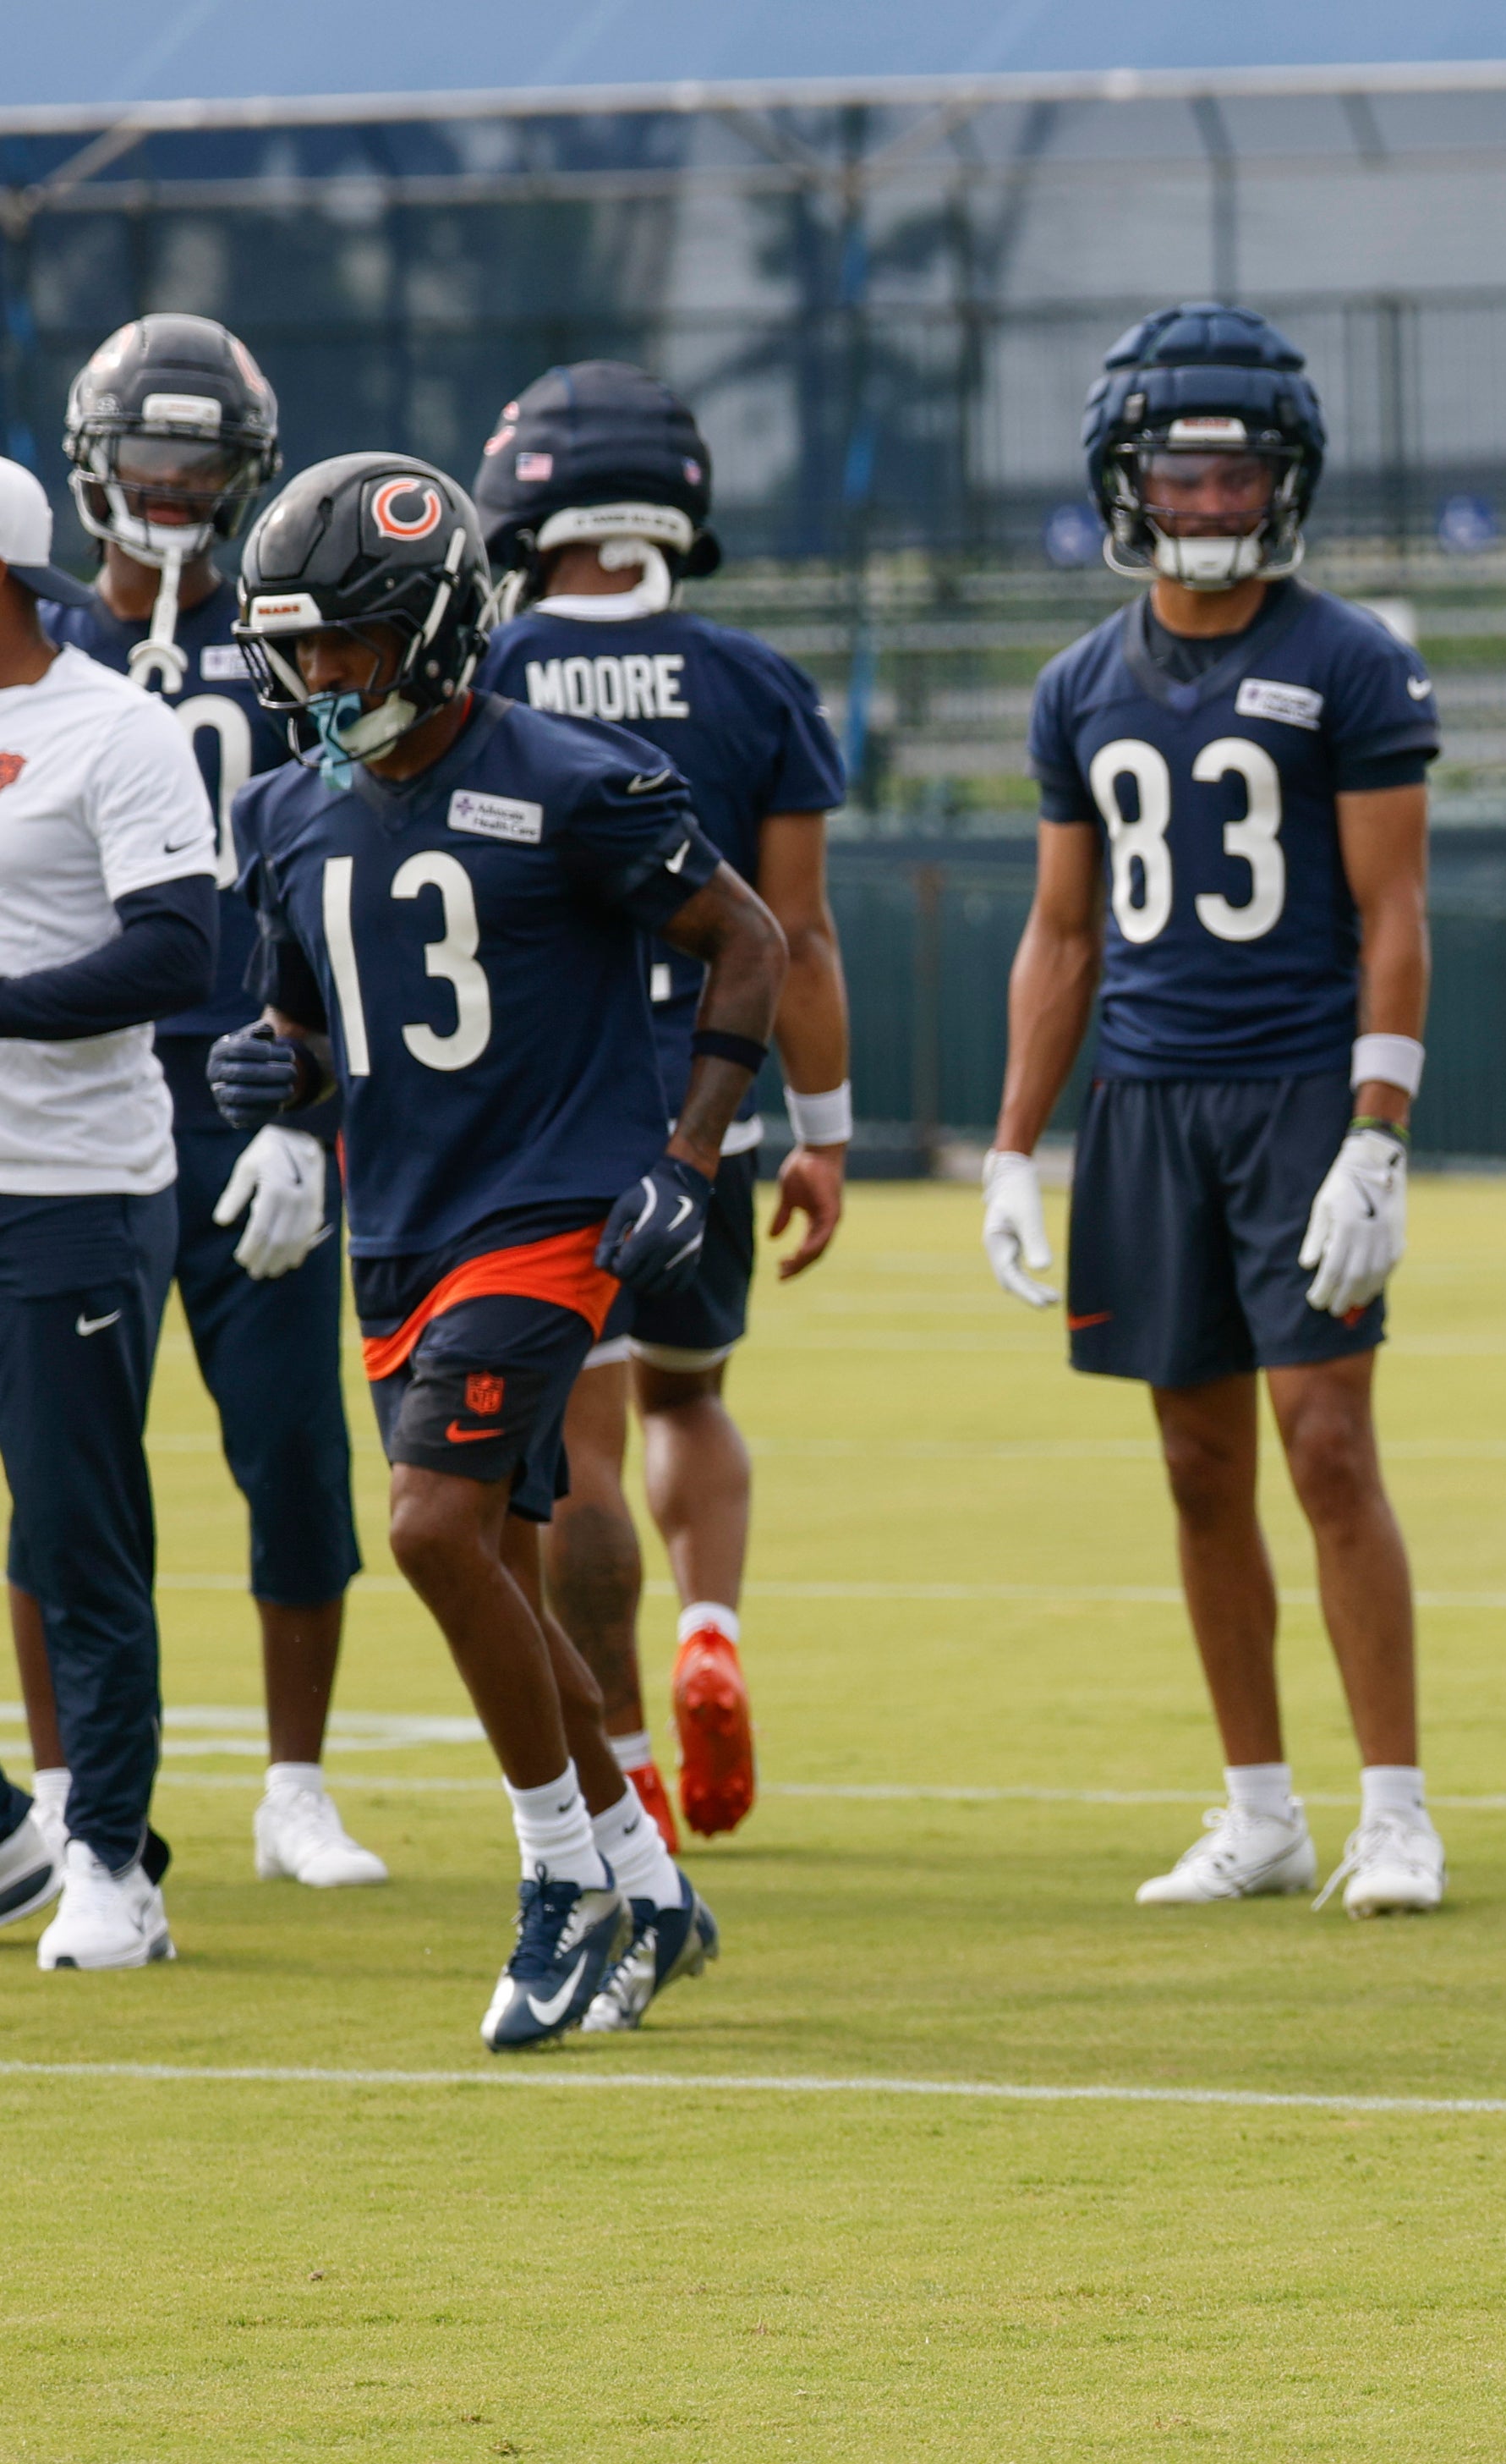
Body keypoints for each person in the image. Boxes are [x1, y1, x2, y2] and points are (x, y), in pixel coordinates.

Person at [218, 450, 774, 2044]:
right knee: (500, 1569)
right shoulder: (285, 810)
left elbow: (749, 936)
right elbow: (322, 1017)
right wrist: (278, 1076)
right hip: (397, 1225)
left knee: (431, 1529)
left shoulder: (576, 781)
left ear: (443, 628)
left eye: (349, 642)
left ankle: (560, 1881)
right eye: (299, 645)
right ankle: (643, 1874)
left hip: (545, 1213)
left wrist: (688, 1153)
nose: (320, 675)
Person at [983, 304, 1446, 1917]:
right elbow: (1062, 930)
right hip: (1144, 1100)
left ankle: (1393, 1804)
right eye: (1175, 475)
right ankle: (1260, 1808)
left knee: (1326, 1442)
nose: (1205, 501)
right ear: (1126, 482)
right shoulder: (1076, 683)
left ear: (1287, 478)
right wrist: (1007, 1146)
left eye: (1233, 471)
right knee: (1194, 1464)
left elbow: (1395, 916)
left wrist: (1375, 1129)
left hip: (1298, 1092)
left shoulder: (1347, 659)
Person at [19, 313, 381, 1894]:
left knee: (295, 1450)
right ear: (95, 470)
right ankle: (60, 1788)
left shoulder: (293, 636)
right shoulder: (44, 654)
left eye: (200, 467)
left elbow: (352, 866)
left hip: (247, 1091)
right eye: (147, 463)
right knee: (57, 1473)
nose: (171, 494)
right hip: (71, 1110)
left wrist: (314, 1107)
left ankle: (293, 1782)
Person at [479, 359, 855, 1850]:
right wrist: (822, 1133)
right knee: (693, 1396)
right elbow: (799, 933)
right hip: (717, 1097)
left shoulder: (489, 675)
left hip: (557, 1114)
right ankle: (711, 1621)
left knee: (580, 1436)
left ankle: (624, 1748)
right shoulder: (754, 681)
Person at [0, 454, 221, 1967]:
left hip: (73, 1191)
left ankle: (107, 1859)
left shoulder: (114, 728)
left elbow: (176, 954)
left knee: (80, 1536)